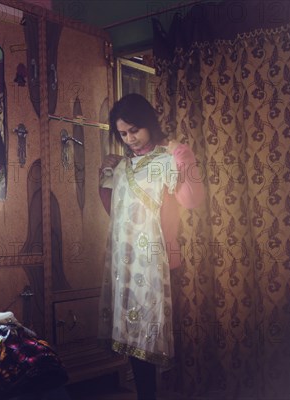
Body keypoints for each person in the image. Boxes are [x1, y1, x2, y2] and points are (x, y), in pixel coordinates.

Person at [97, 93, 204, 400]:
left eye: (135, 130)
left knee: (163, 332)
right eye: (123, 133)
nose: (130, 138)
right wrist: (105, 174)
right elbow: (116, 214)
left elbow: (192, 201)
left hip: (162, 261)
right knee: (134, 334)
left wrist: (184, 160)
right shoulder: (124, 166)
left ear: (149, 124)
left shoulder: (169, 158)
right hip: (128, 262)